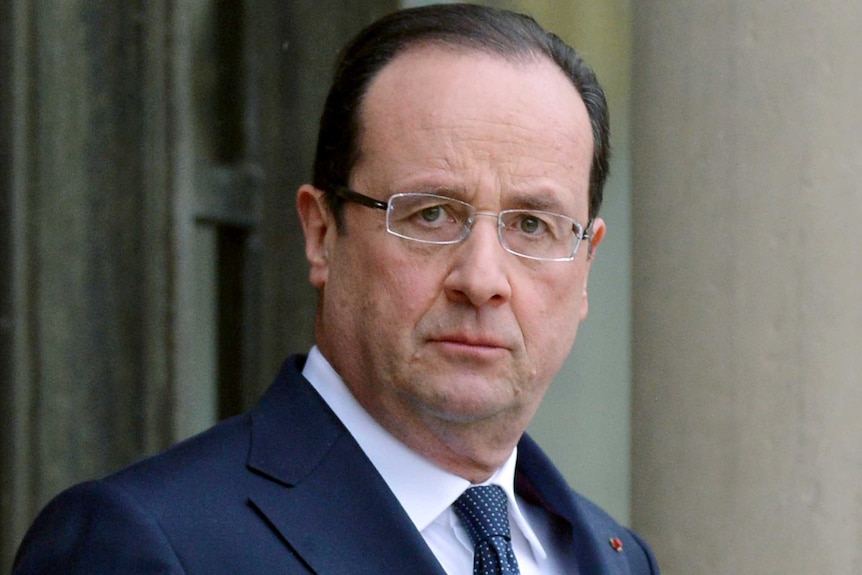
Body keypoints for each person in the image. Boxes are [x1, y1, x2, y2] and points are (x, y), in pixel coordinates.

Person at [13, 4, 659, 574]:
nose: (483, 279)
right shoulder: (145, 545)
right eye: (430, 213)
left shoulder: (615, 557)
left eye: (531, 225)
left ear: (585, 267)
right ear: (322, 235)